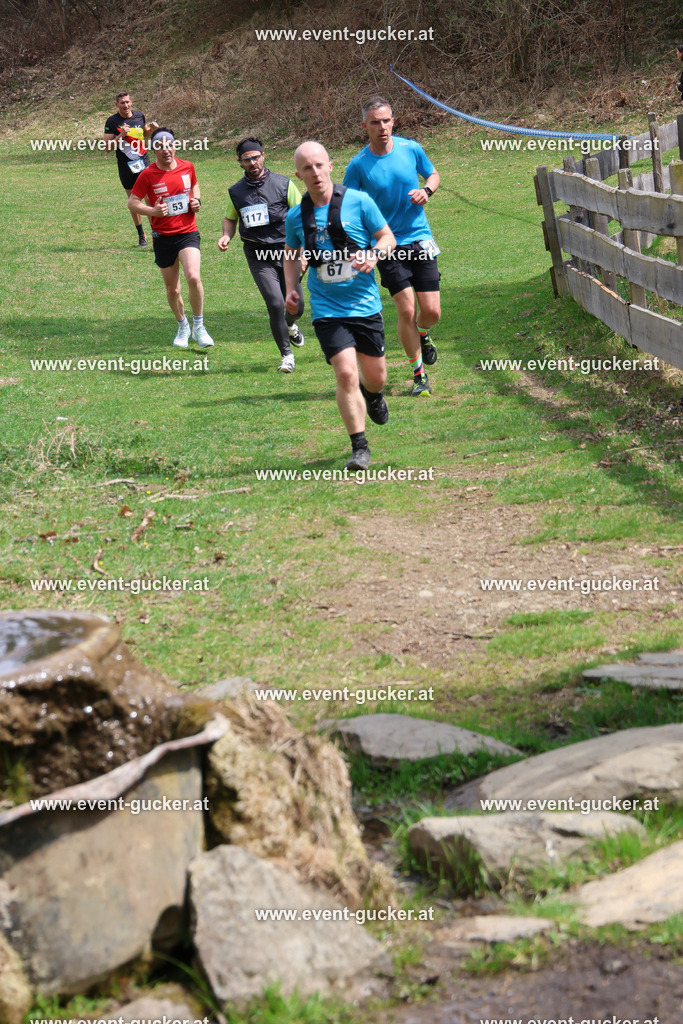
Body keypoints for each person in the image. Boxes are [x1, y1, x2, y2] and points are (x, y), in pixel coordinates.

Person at [284, 141, 395, 470]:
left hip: (365, 304)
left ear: (331, 165)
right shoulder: (295, 216)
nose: (315, 172)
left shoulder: (359, 201)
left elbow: (387, 237)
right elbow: (291, 255)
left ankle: (373, 394)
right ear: (298, 174)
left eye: (319, 165)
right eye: (307, 168)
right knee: (346, 374)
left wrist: (374, 255)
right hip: (327, 308)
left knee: (375, 376)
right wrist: (291, 288)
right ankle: (359, 447)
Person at [343, 96, 441, 397]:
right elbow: (348, 207)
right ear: (364, 126)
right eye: (375, 122)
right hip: (385, 244)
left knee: (432, 312)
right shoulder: (358, 165)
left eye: (386, 120)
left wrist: (427, 190)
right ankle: (419, 374)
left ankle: (423, 334)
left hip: (420, 237)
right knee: (406, 308)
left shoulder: (411, 149)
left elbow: (434, 175)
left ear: (393, 121)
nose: (382, 127)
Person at [218, 138, 306, 373]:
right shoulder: (235, 192)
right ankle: (287, 356)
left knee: (296, 306)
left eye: (255, 157)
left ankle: (290, 324)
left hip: (288, 252)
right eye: (247, 160)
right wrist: (227, 236)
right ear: (240, 163)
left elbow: (303, 218)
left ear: (263, 156)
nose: (252, 163)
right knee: (276, 303)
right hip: (258, 254)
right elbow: (230, 218)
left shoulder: (284, 184)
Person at [127, 127, 214, 349]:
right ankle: (182, 326)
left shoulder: (187, 167)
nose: (166, 150)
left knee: (193, 277)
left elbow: (194, 185)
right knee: (173, 289)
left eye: (169, 145)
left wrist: (197, 201)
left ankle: (199, 326)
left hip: (187, 232)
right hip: (163, 236)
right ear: (153, 149)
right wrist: (152, 212)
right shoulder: (148, 174)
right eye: (160, 146)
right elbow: (133, 202)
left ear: (175, 146)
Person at [104, 91, 159, 247]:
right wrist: (120, 135)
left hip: (143, 161)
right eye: (122, 103)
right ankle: (141, 235)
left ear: (131, 102)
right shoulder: (112, 121)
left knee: (150, 198)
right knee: (134, 201)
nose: (126, 105)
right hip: (126, 166)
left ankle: (156, 234)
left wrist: (152, 130)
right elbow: (108, 148)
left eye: (128, 102)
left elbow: (145, 134)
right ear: (116, 105)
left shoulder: (139, 116)